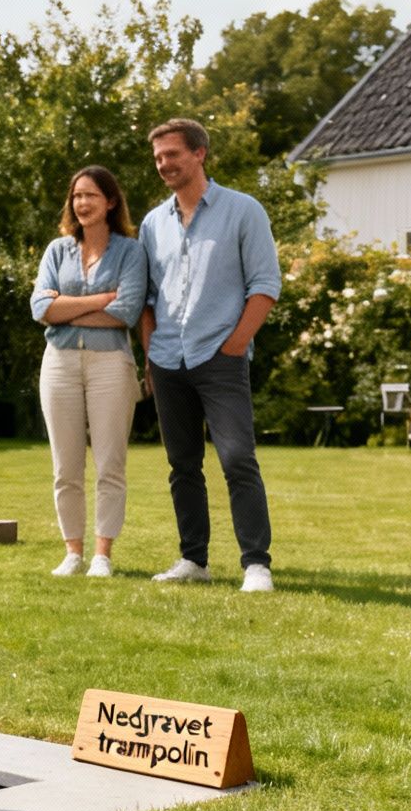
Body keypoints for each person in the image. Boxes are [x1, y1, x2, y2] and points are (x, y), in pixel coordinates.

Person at [138, 118, 281, 593]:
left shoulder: (244, 211)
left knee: (238, 458)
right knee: (182, 465)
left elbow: (265, 286)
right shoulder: (152, 223)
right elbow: (147, 297)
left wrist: (234, 345)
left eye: (172, 155)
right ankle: (193, 559)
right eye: (158, 158)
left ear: (199, 154)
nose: (164, 165)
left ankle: (256, 564)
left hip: (220, 356)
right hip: (168, 359)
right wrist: (151, 355)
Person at [30, 165, 148, 578]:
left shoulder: (131, 251)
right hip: (59, 364)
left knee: (110, 463)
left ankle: (102, 554)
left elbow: (127, 312)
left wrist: (68, 308)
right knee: (65, 466)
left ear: (111, 202)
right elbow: (40, 309)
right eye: (77, 196)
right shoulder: (57, 251)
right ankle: (73, 552)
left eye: (91, 195)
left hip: (111, 365)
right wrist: (101, 300)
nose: (82, 203)